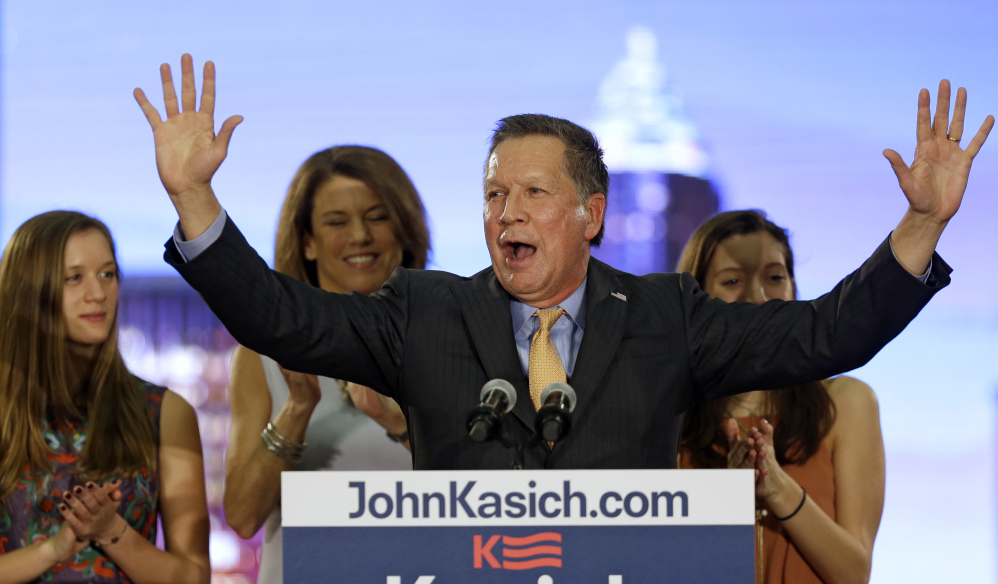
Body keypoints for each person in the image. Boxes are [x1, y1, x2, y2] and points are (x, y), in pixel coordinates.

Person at [133, 54, 992, 471]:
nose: (506, 210)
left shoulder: (667, 314)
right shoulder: (419, 312)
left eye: (532, 195)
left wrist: (920, 224)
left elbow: (823, 335)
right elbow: (281, 318)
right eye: (494, 193)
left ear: (591, 216)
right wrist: (196, 205)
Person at [222, 145, 429, 583]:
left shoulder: (452, 342)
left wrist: (400, 424)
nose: (360, 236)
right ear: (308, 243)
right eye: (337, 222)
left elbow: (494, 490)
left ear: (405, 231)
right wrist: (297, 408)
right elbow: (242, 517)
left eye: (377, 217)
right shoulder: (261, 356)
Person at [0, 211, 210, 584]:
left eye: (107, 274)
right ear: (30, 291)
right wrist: (53, 549)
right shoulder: (6, 413)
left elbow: (193, 578)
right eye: (74, 278)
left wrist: (112, 531)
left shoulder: (163, 413)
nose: (97, 294)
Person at [676, 210, 883, 583]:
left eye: (774, 277)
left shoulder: (846, 403)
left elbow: (854, 572)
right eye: (733, 280)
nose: (758, 297)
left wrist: (777, 487)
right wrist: (726, 498)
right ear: (697, 297)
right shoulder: (670, 413)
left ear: (793, 288)